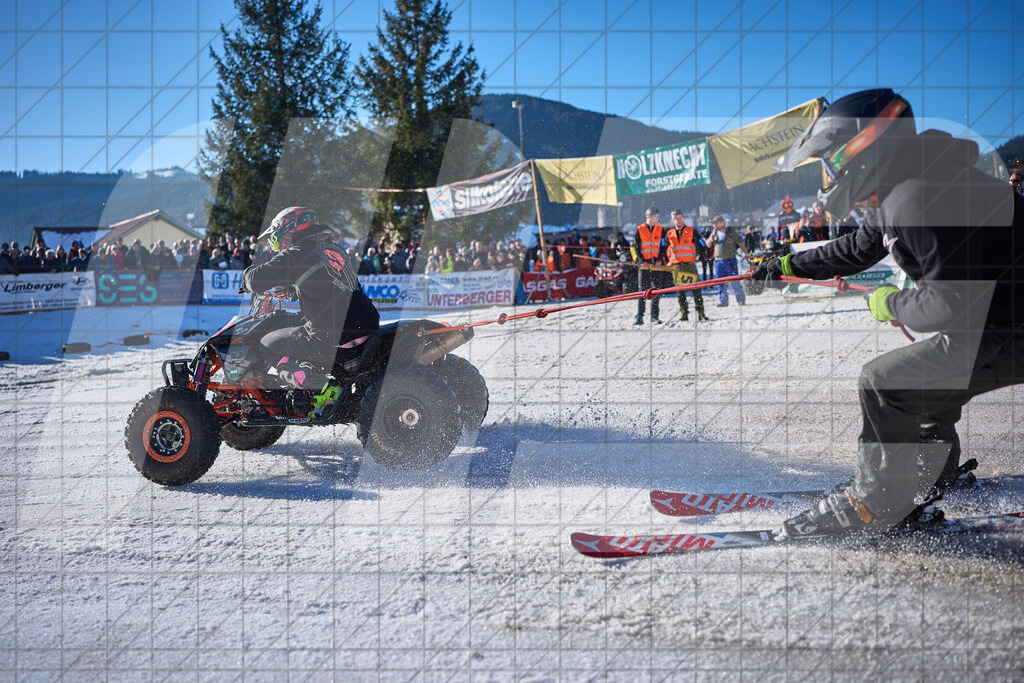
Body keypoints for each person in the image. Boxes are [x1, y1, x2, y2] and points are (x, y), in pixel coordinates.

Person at [750, 88, 1023, 540]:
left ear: (863, 150)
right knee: (928, 384)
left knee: (884, 383)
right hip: (997, 321)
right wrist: (788, 266)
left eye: (830, 164)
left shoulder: (918, 196)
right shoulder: (907, 185)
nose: (828, 177)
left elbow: (947, 304)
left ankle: (875, 505)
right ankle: (929, 478)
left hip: (1009, 326)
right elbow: (858, 247)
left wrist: (888, 302)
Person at [243, 207, 380, 418]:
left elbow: (255, 280)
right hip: (366, 331)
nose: (277, 245)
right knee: (301, 325)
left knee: (267, 344)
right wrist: (293, 290)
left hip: (333, 340)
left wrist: (246, 274)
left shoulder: (298, 252)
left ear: (289, 229)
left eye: (276, 238)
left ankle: (320, 388)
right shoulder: (331, 248)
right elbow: (331, 285)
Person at [665, 209, 708, 322]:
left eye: (681, 218)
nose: (679, 220)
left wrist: (700, 258)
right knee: (680, 291)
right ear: (673, 220)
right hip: (677, 266)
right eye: (677, 218)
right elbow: (663, 249)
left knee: (696, 289)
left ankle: (701, 313)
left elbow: (703, 245)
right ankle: (684, 314)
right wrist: (666, 260)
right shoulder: (669, 234)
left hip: (690, 265)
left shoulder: (692, 231)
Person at [706, 215, 750, 307]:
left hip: (730, 260)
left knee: (735, 281)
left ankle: (741, 300)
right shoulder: (714, 233)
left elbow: (740, 243)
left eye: (716, 224)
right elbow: (708, 245)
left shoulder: (730, 231)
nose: (714, 226)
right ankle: (723, 301)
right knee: (720, 282)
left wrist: (746, 253)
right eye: (713, 224)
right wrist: (711, 237)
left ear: (722, 223)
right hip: (718, 260)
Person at [633, 207, 667, 325]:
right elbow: (636, 248)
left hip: (656, 265)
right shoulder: (639, 229)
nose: (658, 218)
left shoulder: (660, 230)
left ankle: (654, 315)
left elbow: (663, 246)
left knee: (656, 290)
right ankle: (640, 316)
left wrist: (659, 260)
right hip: (644, 265)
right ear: (650, 216)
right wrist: (642, 261)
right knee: (642, 290)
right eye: (656, 216)